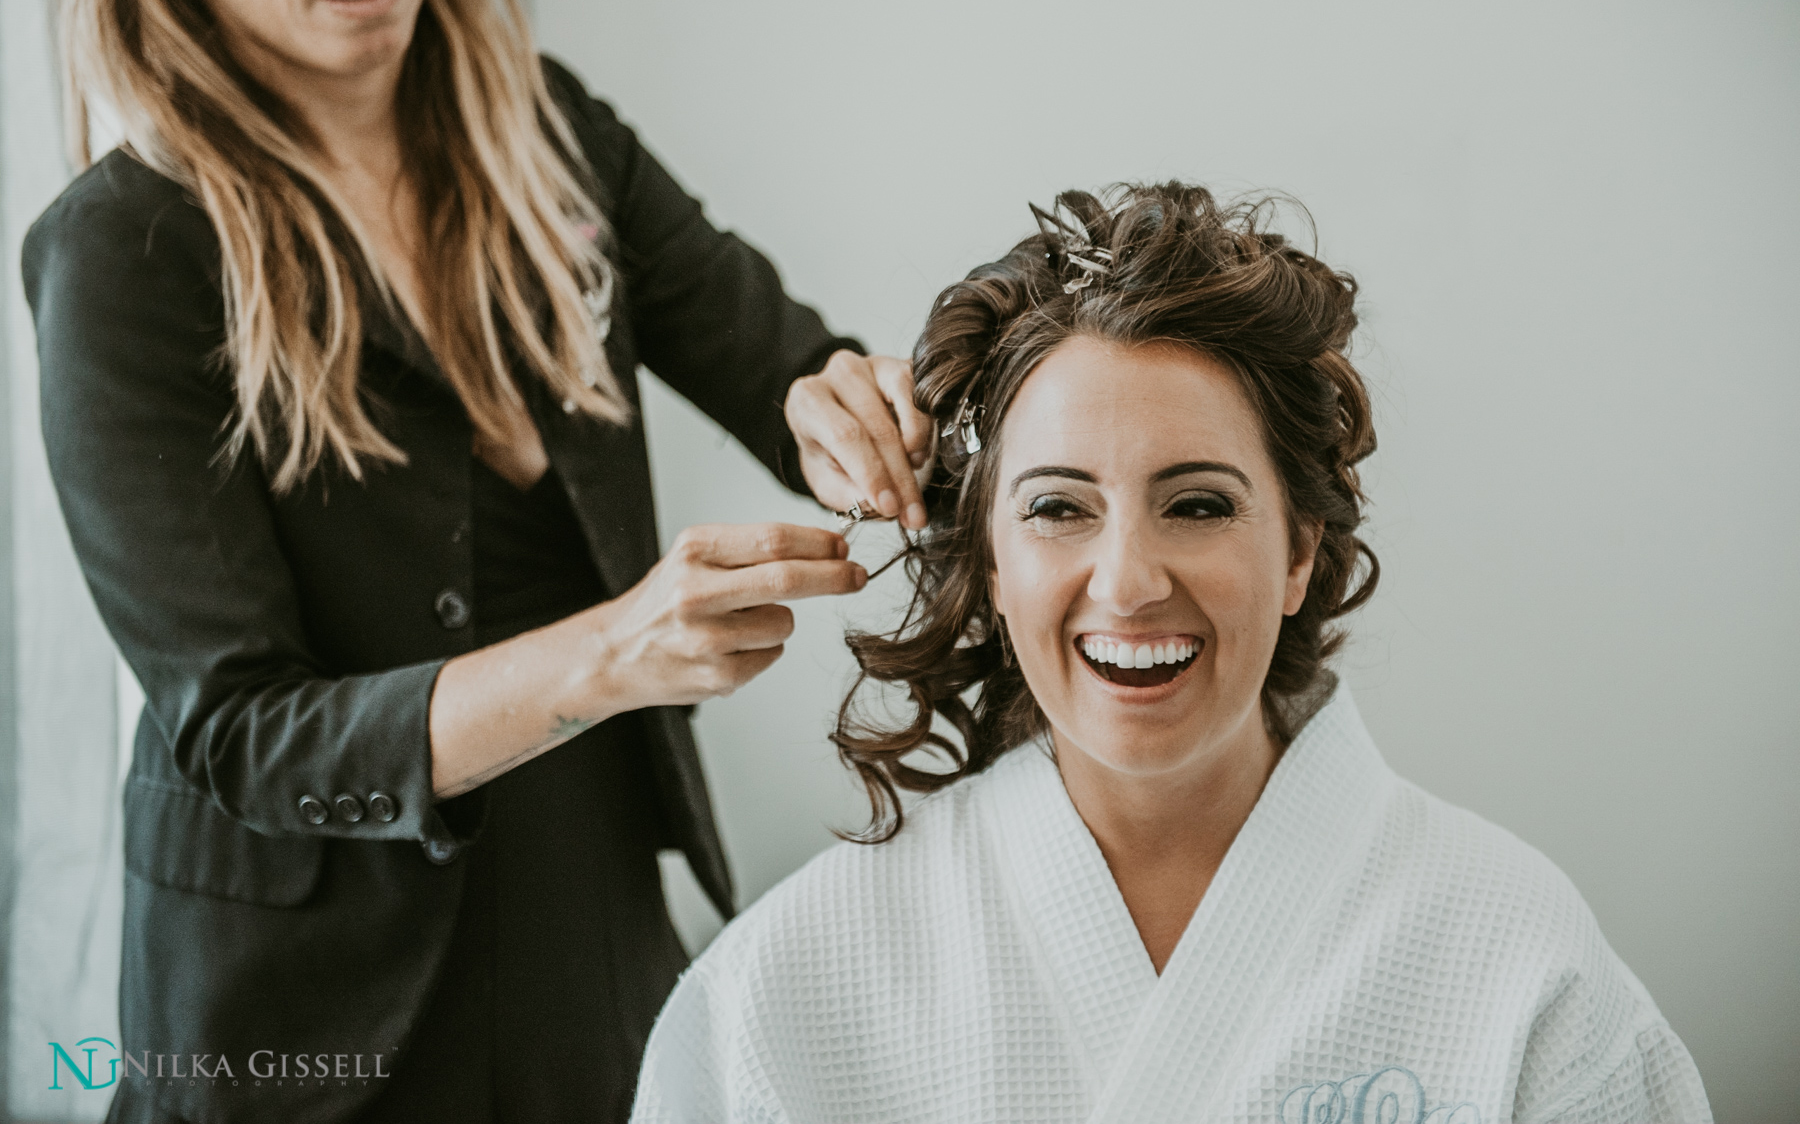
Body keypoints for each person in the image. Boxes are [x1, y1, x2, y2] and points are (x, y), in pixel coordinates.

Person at [23, 0, 935, 1121]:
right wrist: (616, 649)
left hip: (586, 917)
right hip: (305, 1013)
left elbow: (780, 358)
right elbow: (249, 732)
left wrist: (839, 406)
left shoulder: (552, 133)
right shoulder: (123, 251)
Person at [629, 184, 1713, 1123]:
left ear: (1300, 551)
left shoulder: (1516, 955)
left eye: (1197, 503)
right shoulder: (790, 986)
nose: (1130, 579)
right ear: (992, 565)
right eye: (1058, 507)